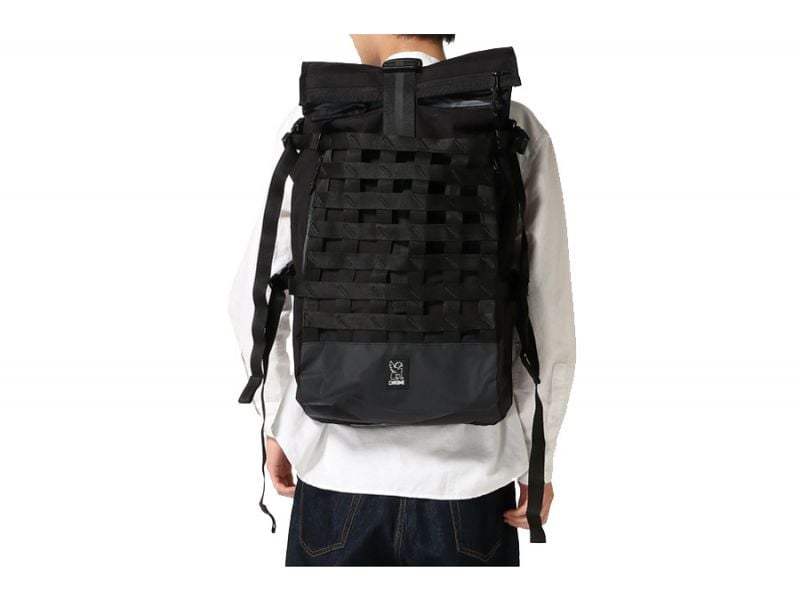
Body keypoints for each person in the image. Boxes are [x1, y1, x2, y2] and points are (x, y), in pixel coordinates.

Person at [227, 34, 576, 566]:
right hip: (470, 487)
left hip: (335, 480)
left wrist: (279, 426)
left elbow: (256, 301)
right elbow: (547, 308)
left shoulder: (319, 120)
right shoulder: (509, 121)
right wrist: (539, 459)